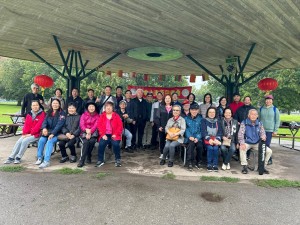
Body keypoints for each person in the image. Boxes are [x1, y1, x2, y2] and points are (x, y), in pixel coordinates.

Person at [238, 109, 272, 174]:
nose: (253, 116)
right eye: (252, 114)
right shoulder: (244, 122)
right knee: (242, 148)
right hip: (247, 142)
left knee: (269, 151)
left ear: (257, 116)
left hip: (257, 143)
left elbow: (263, 133)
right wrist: (242, 143)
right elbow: (240, 134)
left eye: (255, 114)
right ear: (249, 115)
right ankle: (244, 166)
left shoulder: (259, 123)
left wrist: (263, 136)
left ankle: (262, 167)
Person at [35, 99, 66, 168]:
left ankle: (46, 161)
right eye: (53, 103)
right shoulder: (49, 112)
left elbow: (59, 125)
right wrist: (44, 128)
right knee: (41, 140)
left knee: (50, 141)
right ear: (51, 104)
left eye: (56, 103)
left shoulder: (62, 113)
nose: (55, 105)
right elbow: (44, 121)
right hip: (48, 132)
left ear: (59, 104)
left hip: (57, 133)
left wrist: (53, 133)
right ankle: (39, 157)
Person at [96, 101, 123, 167]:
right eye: (107, 106)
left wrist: (116, 134)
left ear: (112, 108)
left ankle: (118, 159)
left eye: (110, 106)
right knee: (101, 144)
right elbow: (99, 126)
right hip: (105, 134)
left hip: (114, 134)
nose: (108, 108)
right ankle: (100, 160)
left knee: (116, 144)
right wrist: (102, 134)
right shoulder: (102, 116)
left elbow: (120, 126)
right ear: (105, 108)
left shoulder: (116, 116)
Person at [259, 95, 280, 165]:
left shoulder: (275, 109)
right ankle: (261, 158)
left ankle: (269, 159)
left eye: (270, 100)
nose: (268, 101)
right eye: (267, 99)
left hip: (270, 130)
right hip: (261, 130)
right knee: (261, 144)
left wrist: (275, 130)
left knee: (267, 144)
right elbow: (258, 119)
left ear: (272, 101)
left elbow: (277, 121)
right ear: (265, 101)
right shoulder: (261, 109)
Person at [77, 101, 99, 167]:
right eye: (90, 107)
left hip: (93, 132)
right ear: (87, 108)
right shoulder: (83, 115)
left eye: (93, 106)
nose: (91, 108)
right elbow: (81, 124)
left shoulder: (97, 116)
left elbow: (96, 125)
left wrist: (90, 131)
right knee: (85, 143)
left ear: (95, 108)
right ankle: (82, 160)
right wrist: (86, 130)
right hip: (83, 132)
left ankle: (88, 155)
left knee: (92, 142)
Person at [201, 107, 223, 172]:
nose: (211, 113)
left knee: (216, 148)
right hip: (207, 139)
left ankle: (215, 164)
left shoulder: (218, 121)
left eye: (213, 112)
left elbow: (220, 132)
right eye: (210, 112)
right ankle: (209, 164)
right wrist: (209, 139)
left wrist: (217, 139)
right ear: (207, 113)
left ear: (215, 113)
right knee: (210, 148)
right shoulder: (204, 120)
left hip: (216, 139)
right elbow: (203, 132)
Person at [184, 104, 203, 170]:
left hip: (198, 138)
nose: (194, 111)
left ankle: (199, 162)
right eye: (192, 110)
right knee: (191, 145)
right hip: (189, 138)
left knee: (200, 146)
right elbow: (185, 129)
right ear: (190, 110)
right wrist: (189, 136)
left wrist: (197, 138)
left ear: (198, 110)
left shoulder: (200, 119)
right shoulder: (186, 118)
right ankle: (190, 162)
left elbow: (201, 130)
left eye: (196, 110)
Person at [155, 94, 173, 158]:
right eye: (166, 98)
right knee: (162, 141)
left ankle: (167, 154)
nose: (167, 100)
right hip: (162, 128)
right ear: (164, 100)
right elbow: (157, 118)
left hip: (171, 129)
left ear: (171, 99)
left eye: (169, 98)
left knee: (169, 141)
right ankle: (162, 153)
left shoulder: (174, 108)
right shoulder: (161, 107)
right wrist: (159, 126)